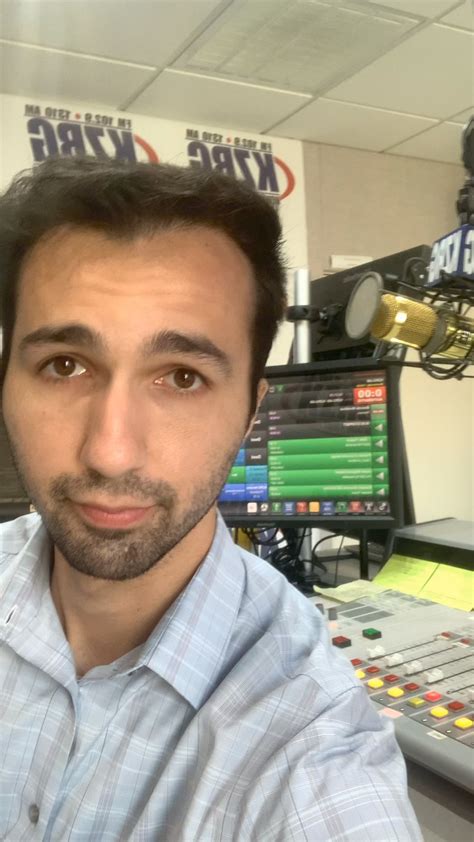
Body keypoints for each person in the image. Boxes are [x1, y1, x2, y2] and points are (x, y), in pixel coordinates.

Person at [0, 156, 421, 841]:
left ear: (251, 411)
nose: (111, 451)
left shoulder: (310, 747)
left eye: (182, 378)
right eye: (65, 365)